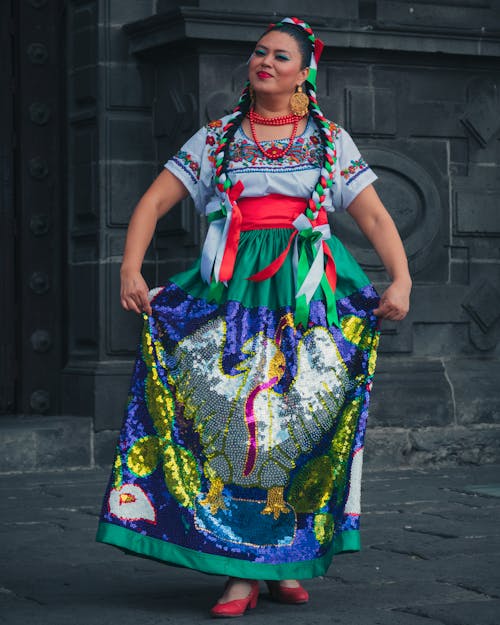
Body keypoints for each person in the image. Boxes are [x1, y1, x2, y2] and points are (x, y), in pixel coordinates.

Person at [96, 16, 411, 618]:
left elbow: (371, 217)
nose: (265, 62)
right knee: (234, 425)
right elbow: (154, 201)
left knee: (297, 423)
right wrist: (129, 268)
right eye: (259, 52)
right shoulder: (216, 137)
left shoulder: (328, 140)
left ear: (303, 74)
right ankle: (239, 569)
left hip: (308, 296)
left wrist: (401, 277)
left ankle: (287, 556)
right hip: (231, 296)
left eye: (281, 57)